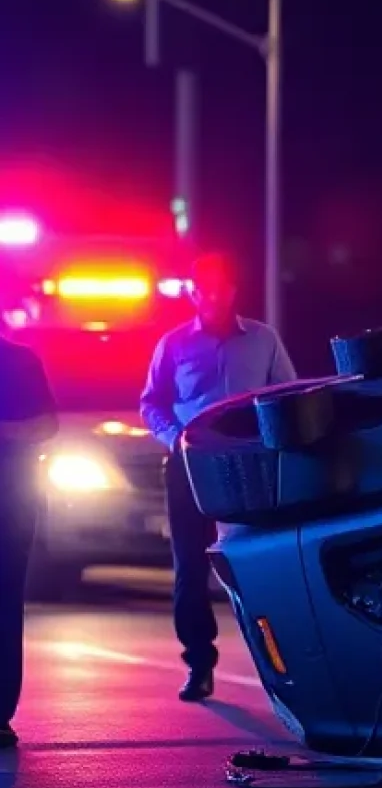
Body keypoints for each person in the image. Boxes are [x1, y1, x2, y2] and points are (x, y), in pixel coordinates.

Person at [140, 253, 296, 701]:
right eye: (201, 288)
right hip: (189, 467)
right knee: (190, 568)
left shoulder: (263, 340)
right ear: (192, 292)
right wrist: (175, 439)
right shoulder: (173, 344)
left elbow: (285, 392)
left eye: (219, 287)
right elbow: (152, 402)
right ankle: (199, 664)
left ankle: (277, 663)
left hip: (245, 468)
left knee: (255, 562)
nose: (210, 296)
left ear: (232, 291)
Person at [1, 332, 59, 748]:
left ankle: (0, 714)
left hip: (10, 501)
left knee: (4, 603)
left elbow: (47, 425)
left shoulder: (18, 361)